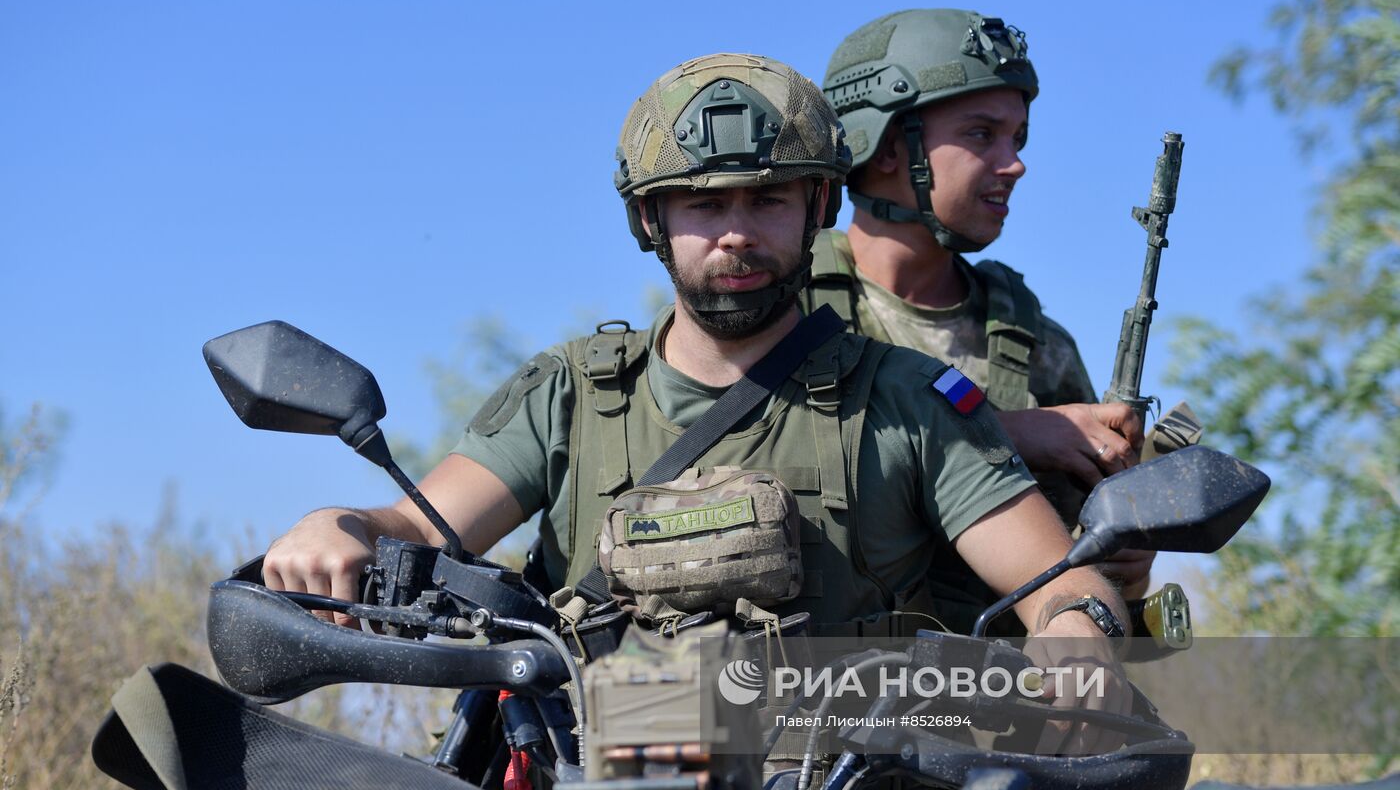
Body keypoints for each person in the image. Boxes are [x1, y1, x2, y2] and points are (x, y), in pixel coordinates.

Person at [264, 53, 1132, 748]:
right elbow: (418, 527)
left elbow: (1056, 581)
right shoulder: (573, 392)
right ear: (651, 221)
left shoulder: (906, 399)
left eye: (769, 199)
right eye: (702, 203)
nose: (736, 232)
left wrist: (1078, 632)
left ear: (817, 204)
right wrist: (337, 524)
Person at [811, 9, 1153, 609]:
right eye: (980, 134)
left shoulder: (1035, 345)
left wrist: (1129, 561)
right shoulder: (785, 314)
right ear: (890, 145)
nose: (1015, 162)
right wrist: (1008, 433)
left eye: (1017, 137)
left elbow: (1091, 588)